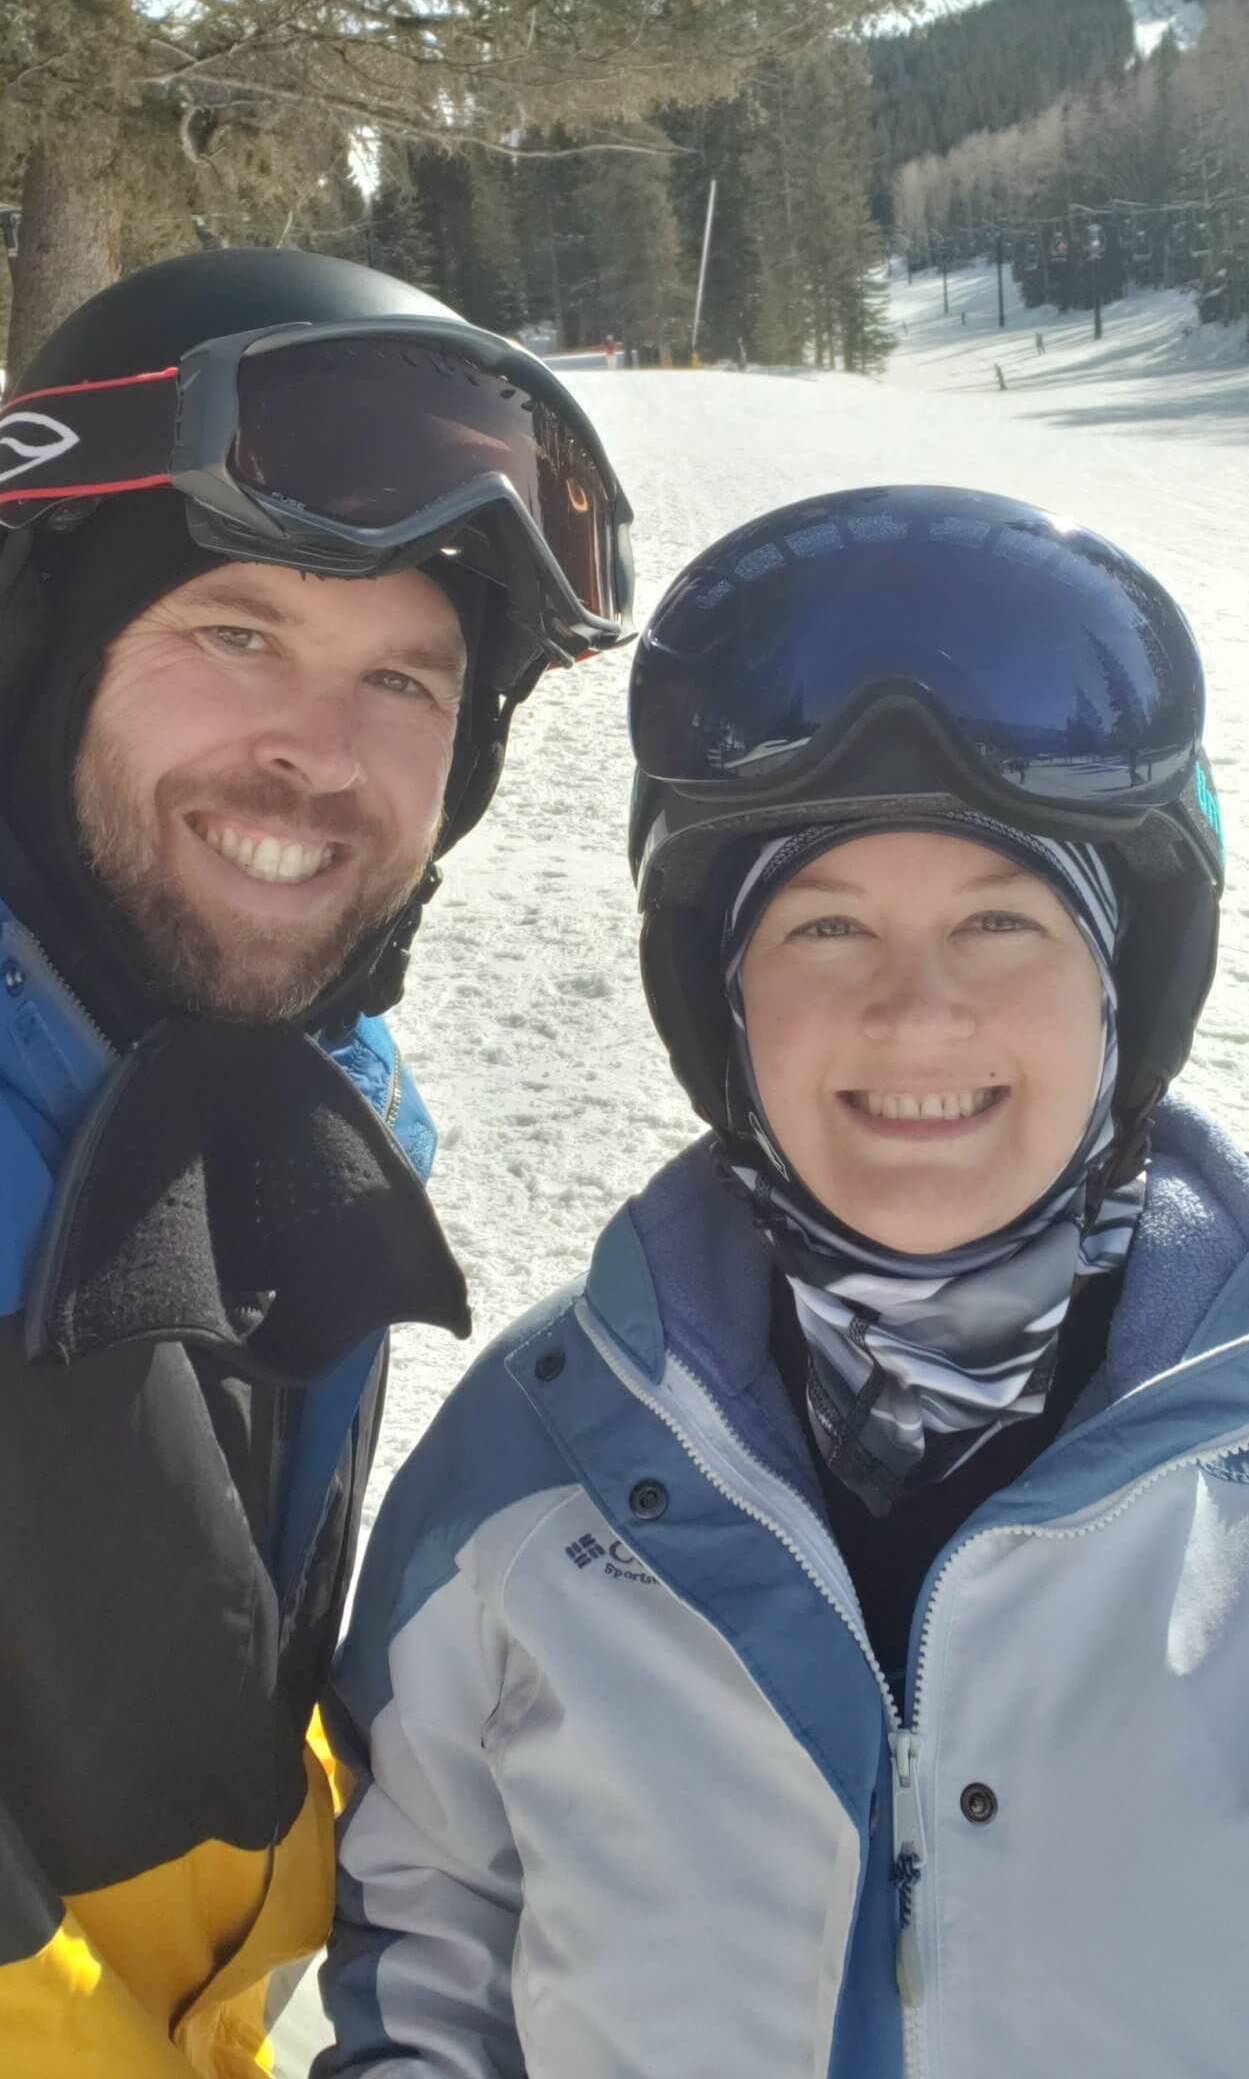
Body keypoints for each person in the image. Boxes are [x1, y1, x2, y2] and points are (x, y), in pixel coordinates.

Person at [319, 482, 1248, 2079]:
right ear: (723, 1003)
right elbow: (423, 1954)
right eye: (823, 929)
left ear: (1122, 990)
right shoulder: (529, 1474)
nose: (912, 1011)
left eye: (1001, 921)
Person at [0, 244, 633, 2072]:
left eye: (407, 682)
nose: (320, 756)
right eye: (236, 635)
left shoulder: (293, 1126)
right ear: (38, 657)